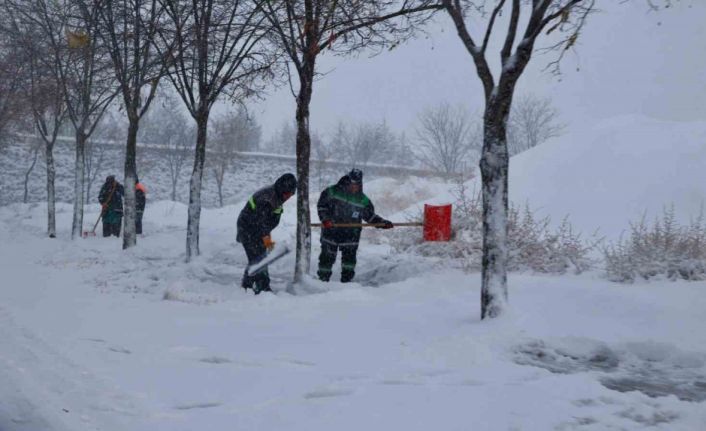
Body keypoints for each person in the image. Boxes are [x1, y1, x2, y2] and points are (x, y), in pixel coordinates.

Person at [316, 169, 393, 283]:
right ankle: (322, 281)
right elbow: (322, 207)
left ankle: (347, 284)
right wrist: (325, 219)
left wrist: (382, 223)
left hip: (351, 235)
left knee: (349, 261)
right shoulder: (332, 192)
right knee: (326, 258)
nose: (353, 187)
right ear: (346, 181)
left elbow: (370, 216)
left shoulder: (363, 200)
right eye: (351, 184)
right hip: (331, 232)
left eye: (356, 184)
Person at [237, 173, 297, 294]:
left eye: (291, 194)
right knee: (260, 259)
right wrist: (268, 242)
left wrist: (267, 241)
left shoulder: (278, 196)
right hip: (248, 229)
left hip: (256, 229)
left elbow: (268, 223)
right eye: (287, 193)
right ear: (282, 188)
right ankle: (263, 288)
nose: (288, 197)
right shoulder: (266, 199)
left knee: (258, 257)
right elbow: (261, 224)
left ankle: (247, 284)